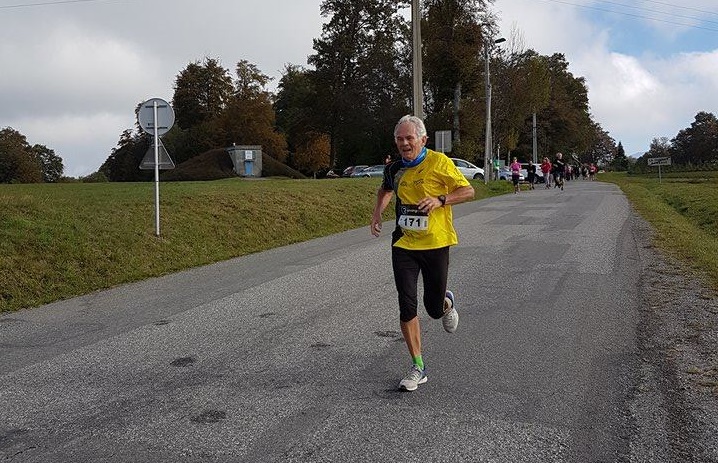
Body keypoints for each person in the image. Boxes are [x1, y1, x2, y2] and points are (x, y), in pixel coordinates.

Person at [370, 115, 475, 392]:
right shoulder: (394, 169)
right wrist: (377, 213)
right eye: (400, 139)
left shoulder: (440, 162)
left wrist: (441, 200)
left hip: (436, 243)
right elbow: (384, 190)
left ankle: (446, 302)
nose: (404, 144)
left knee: (432, 308)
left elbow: (468, 190)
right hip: (404, 244)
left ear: (423, 140)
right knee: (407, 305)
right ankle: (418, 366)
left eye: (409, 138)